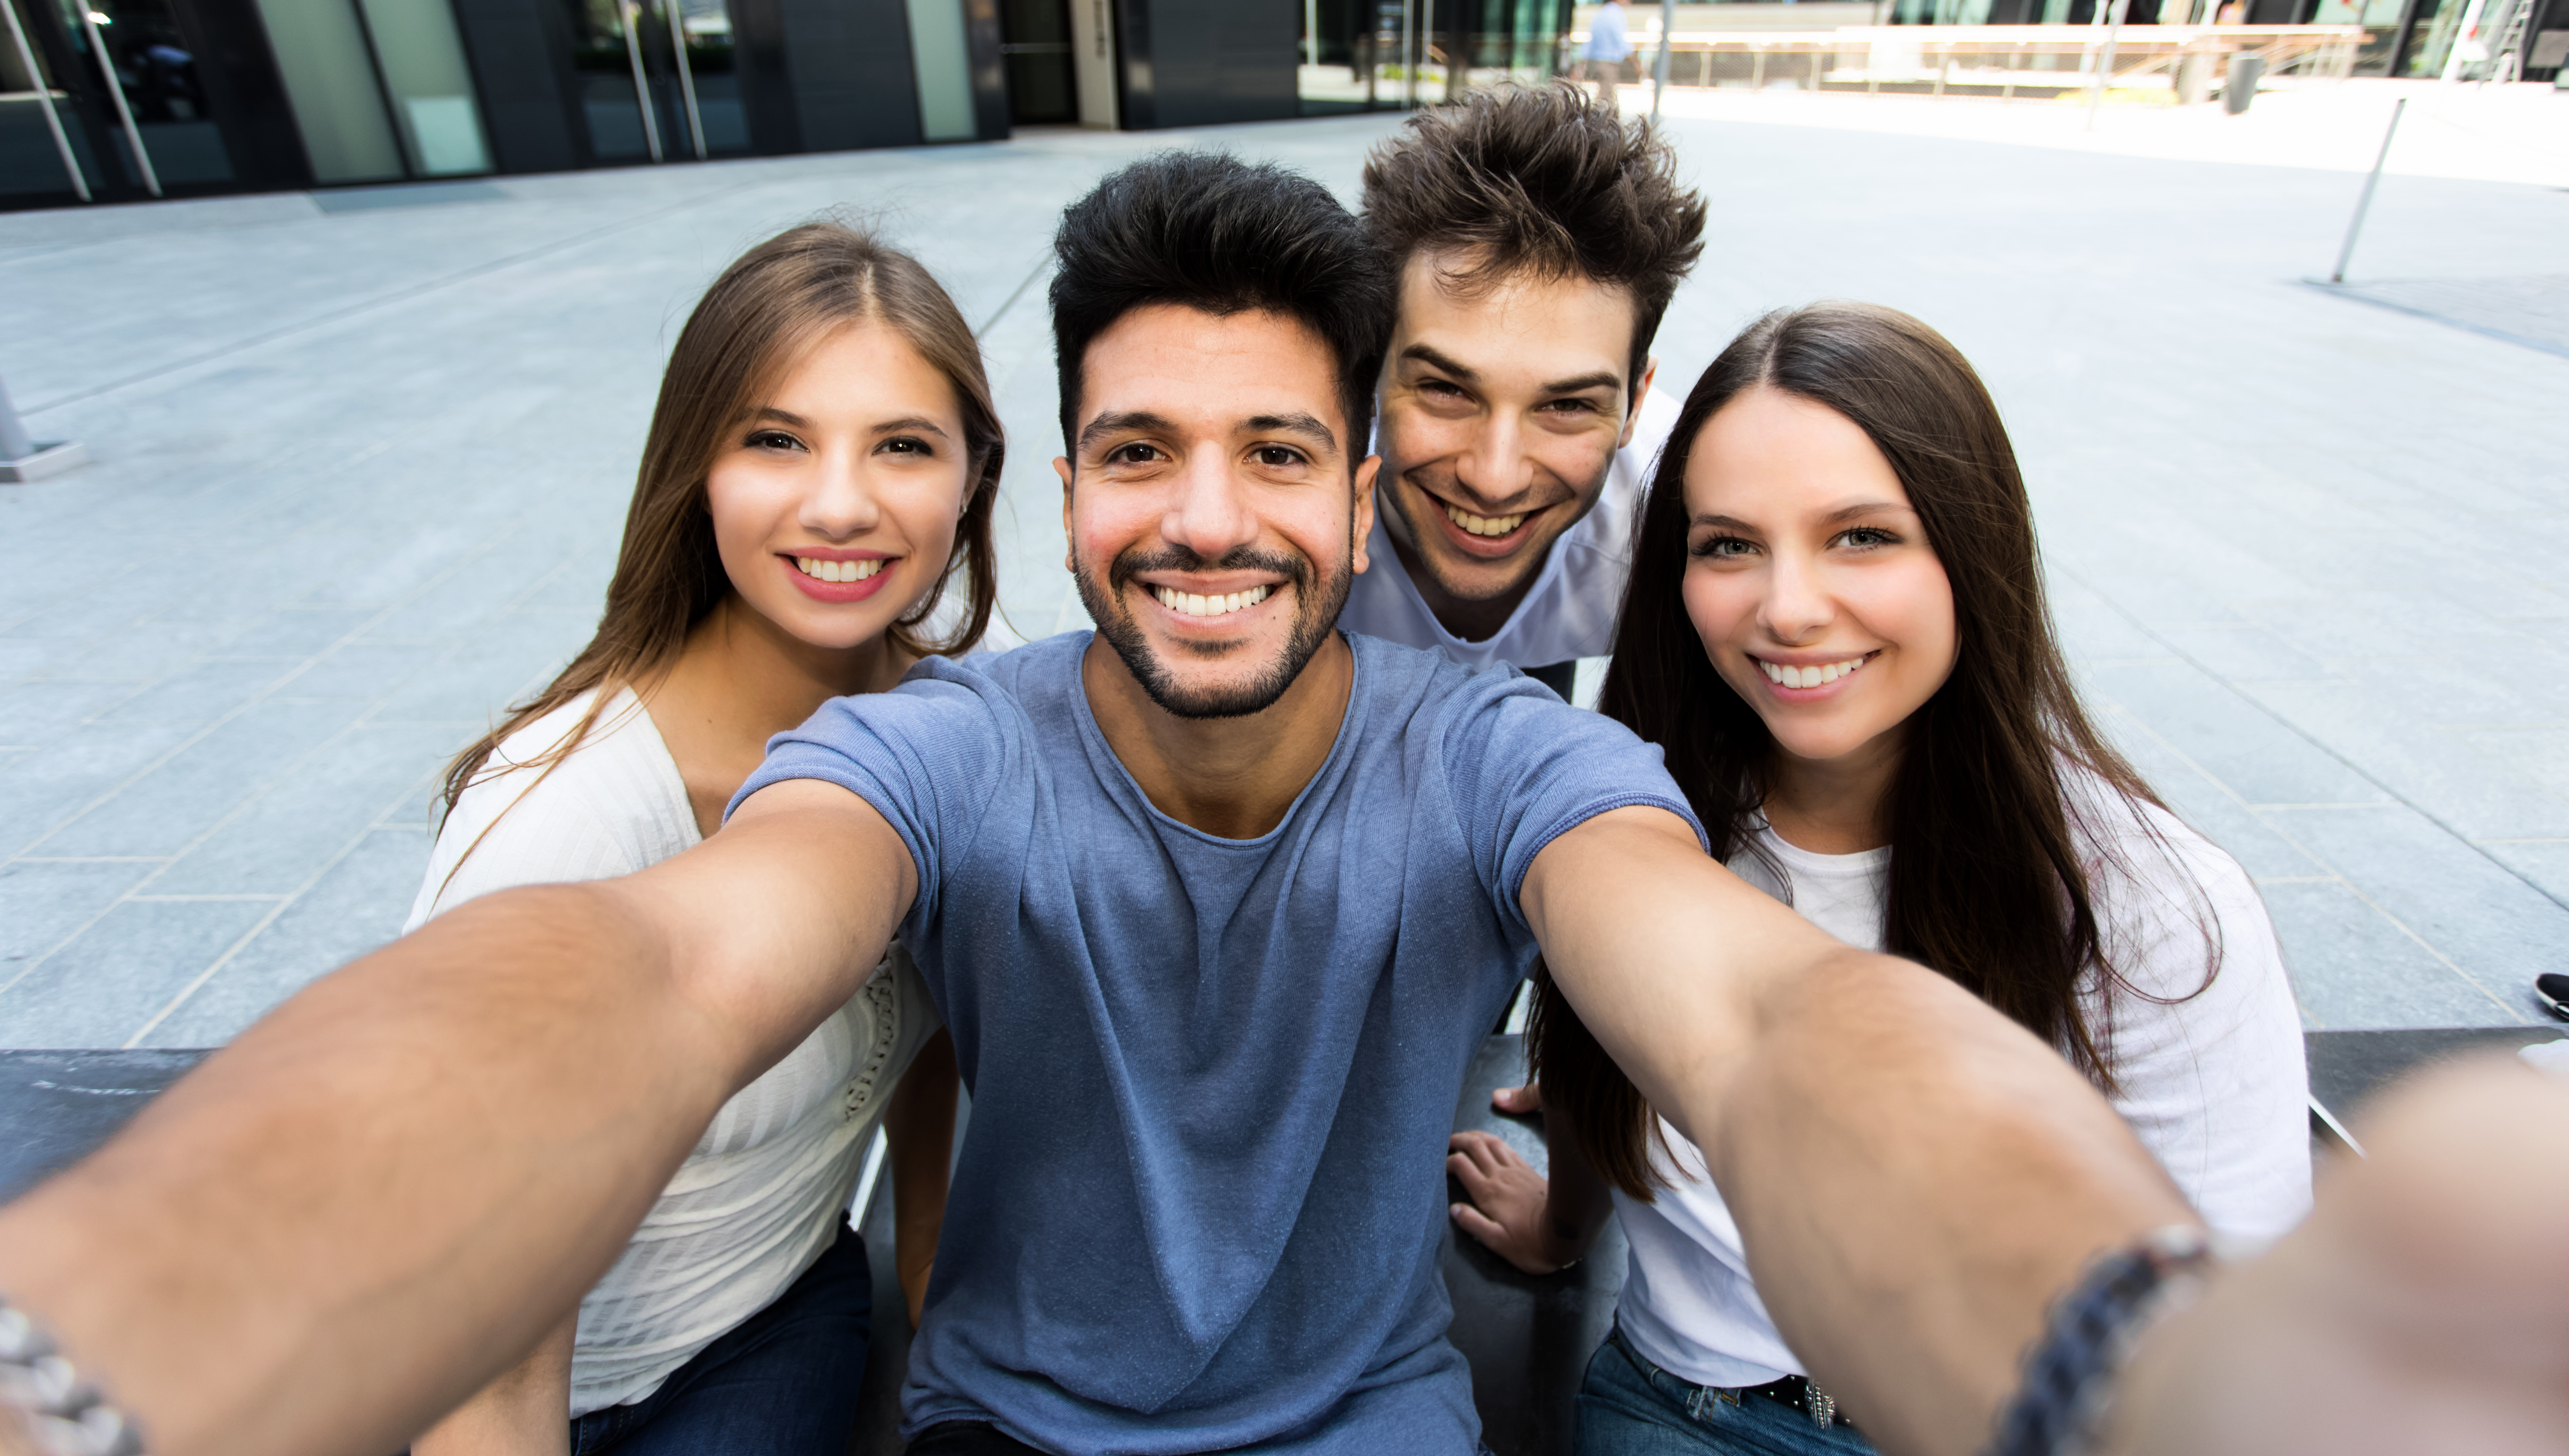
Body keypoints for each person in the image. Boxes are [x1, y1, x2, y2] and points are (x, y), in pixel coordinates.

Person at [0, 155, 2228, 1456]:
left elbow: (1761, 1021)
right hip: (1008, 1424)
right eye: (1140, 450)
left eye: (1277, 452)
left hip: (1369, 1423)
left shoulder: (1498, 750)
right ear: (1063, 485)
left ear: (1360, 490)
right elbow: (647, 976)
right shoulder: (936, 744)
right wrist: (119, 1331)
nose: (1208, 518)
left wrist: (2118, 1342)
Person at [1443, 302, 2313, 1456]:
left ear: (1971, 545)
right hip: (1681, 1408)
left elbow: (2234, 1336)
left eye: (1860, 536)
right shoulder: (1632, 824)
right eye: (1728, 545)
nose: (1789, 608)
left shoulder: (2150, 909)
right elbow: (1609, 1059)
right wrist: (1562, 1230)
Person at [406, 223, 987, 1456]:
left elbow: (933, 1010)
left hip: (783, 1313)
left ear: (972, 476)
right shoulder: (562, 820)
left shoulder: (961, 726)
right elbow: (471, 1321)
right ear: (697, 469)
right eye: (776, 439)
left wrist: (929, 1263)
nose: (842, 504)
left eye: (901, 445)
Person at [1343, 86, 1702, 701]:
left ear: (1635, 404)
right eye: (1446, 389)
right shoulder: (1287, 511)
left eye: (1566, 405)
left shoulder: (1680, 532)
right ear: (1369, 374)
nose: (1494, 481)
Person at [1579, 0, 1632, 91]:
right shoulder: (1616, 14)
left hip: (1599, 62)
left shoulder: (1601, 13)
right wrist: (1635, 61)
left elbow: (1591, 40)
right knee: (1607, 94)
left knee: (1605, 92)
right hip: (1610, 63)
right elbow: (1622, 40)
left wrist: (1582, 61)